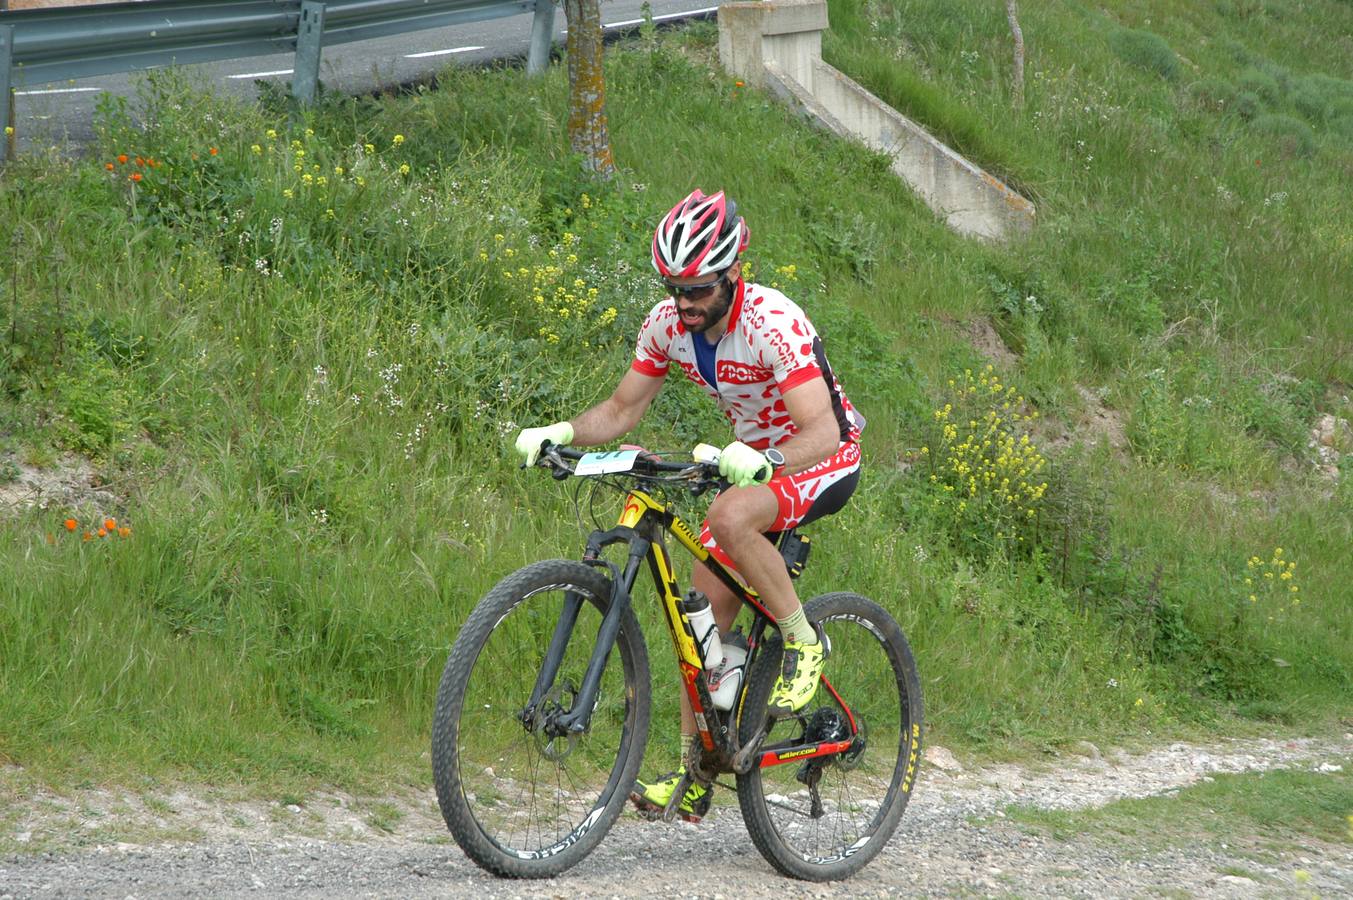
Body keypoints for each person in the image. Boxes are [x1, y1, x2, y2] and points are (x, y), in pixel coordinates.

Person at [514, 189, 865, 821]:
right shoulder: (666, 327)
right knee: (697, 624)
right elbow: (622, 409)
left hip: (817, 458)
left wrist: (768, 460)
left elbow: (823, 431)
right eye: (675, 288)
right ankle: (696, 776)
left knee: (730, 516)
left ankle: (802, 639)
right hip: (748, 459)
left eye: (698, 289)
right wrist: (560, 433)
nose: (684, 303)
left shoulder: (771, 322)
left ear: (734, 274)